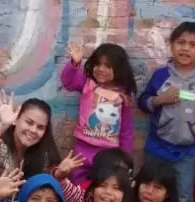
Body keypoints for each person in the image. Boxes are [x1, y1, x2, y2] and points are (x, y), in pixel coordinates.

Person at [138, 21, 195, 202]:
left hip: (184, 152)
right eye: (180, 42)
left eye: (192, 45)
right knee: (149, 192)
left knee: (183, 196)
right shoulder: (161, 75)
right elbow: (143, 101)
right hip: (156, 147)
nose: (185, 48)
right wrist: (160, 100)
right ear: (172, 45)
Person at [59, 43, 137, 183]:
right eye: (98, 64)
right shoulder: (87, 84)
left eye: (108, 66)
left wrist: (125, 159)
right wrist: (74, 64)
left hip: (108, 154)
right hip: (83, 149)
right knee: (78, 185)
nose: (101, 69)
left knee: (102, 186)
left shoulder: (122, 96)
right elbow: (68, 82)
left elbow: (126, 131)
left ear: (119, 69)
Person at [0, 91, 62, 180]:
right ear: (15, 119)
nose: (33, 130)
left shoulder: (43, 155)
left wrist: (60, 174)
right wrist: (2, 125)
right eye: (29, 122)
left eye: (40, 127)